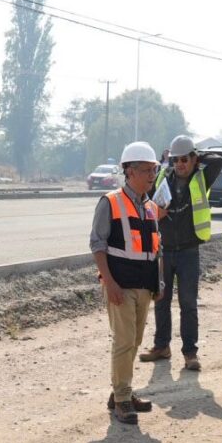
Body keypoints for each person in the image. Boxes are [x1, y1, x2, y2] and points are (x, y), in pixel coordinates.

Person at [90, 141, 164, 425]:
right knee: (123, 342)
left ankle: (121, 391)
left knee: (134, 341)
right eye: (146, 170)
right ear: (129, 171)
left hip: (144, 285)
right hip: (119, 285)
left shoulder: (149, 207)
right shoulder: (110, 202)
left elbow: (156, 249)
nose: (151, 175)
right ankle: (122, 398)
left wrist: (158, 283)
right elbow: (97, 244)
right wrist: (109, 283)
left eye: (153, 170)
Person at [139, 135, 222, 371]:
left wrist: (197, 154)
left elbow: (217, 161)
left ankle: (190, 353)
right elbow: (146, 202)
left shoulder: (201, 178)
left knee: (188, 304)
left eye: (185, 159)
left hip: (188, 251)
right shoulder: (162, 178)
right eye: (176, 159)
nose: (180, 164)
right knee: (161, 300)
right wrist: (156, 211)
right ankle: (161, 346)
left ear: (194, 159)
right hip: (164, 250)